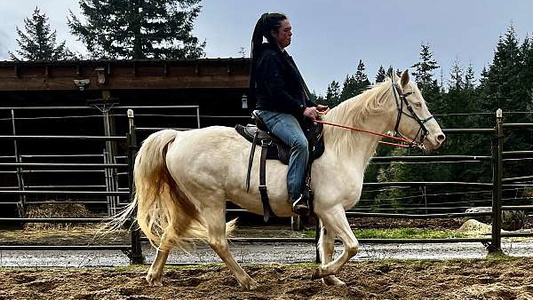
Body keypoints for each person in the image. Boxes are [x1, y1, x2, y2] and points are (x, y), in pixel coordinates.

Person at [248, 12, 326, 215]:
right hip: (272, 113)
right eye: (286, 30)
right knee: (300, 143)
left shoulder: (280, 54)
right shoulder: (269, 57)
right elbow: (277, 93)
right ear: (274, 33)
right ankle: (296, 195)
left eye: (290, 30)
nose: (291, 34)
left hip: (287, 111)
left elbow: (296, 89)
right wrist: (302, 109)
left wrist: (312, 106)